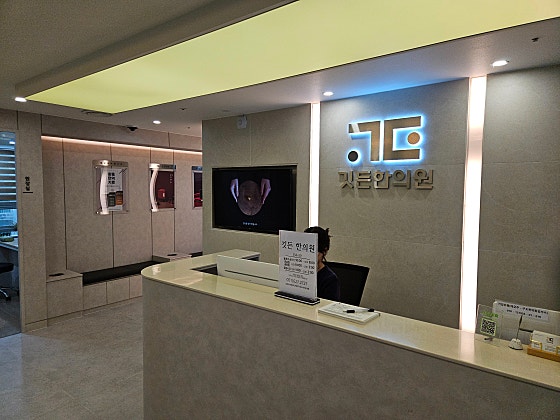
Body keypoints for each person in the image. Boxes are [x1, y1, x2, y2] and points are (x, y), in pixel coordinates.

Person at [304, 226, 340, 301]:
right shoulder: (297, 273)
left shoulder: (329, 279)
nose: (308, 255)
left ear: (324, 251)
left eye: (313, 251)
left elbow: (329, 306)